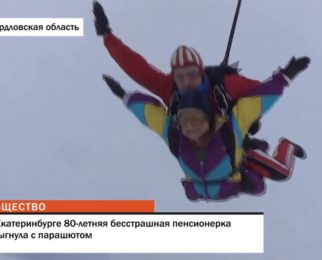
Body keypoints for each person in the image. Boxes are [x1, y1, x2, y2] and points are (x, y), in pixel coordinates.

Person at [102, 56, 310, 201]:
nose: (191, 126)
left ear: (209, 120)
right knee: (257, 187)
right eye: (185, 120)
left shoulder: (228, 130)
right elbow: (151, 114)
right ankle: (256, 150)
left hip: (239, 161)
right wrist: (125, 95)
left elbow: (255, 103)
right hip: (228, 179)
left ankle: (286, 145)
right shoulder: (176, 137)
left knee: (281, 172)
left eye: (196, 119)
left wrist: (285, 76)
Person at [93, 0, 281, 151]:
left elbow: (262, 89)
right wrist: (107, 37)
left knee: (270, 172)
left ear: (201, 72)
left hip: (229, 139)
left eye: (191, 74)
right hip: (199, 149)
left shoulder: (225, 86)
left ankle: (273, 149)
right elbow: (137, 67)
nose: (186, 81)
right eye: (180, 76)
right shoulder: (169, 89)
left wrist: (254, 116)